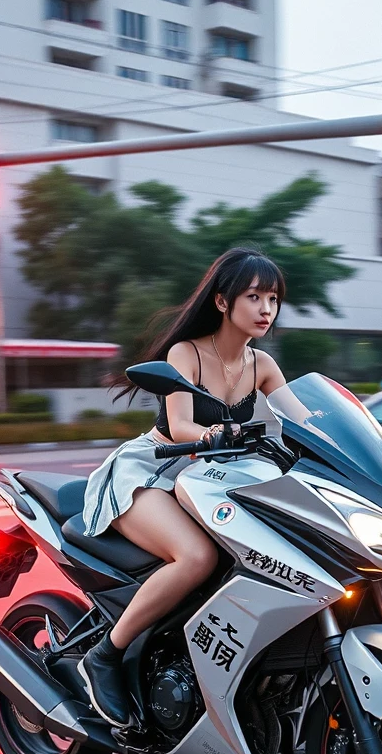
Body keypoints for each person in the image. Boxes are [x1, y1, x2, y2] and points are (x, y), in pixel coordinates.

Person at [77, 247, 288, 727]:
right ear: (222, 302)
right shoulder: (185, 354)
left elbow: (305, 418)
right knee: (197, 558)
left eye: (272, 299)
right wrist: (213, 435)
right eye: (253, 296)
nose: (265, 310)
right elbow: (180, 426)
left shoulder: (264, 365)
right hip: (153, 472)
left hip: (211, 481)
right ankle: (105, 656)